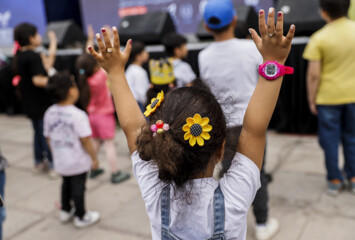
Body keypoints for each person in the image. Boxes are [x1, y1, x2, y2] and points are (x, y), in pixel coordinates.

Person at [88, 7, 295, 239]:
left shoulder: (153, 192)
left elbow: (133, 127)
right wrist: (274, 61)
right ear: (221, 148)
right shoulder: (235, 197)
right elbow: (254, 130)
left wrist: (115, 72)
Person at [198, 1, 277, 239]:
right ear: (234, 20)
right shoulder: (251, 49)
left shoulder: (203, 56)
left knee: (226, 172)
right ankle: (262, 225)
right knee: (255, 173)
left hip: (222, 126)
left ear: (206, 26)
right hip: (252, 122)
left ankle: (227, 220)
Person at [303, 0, 355, 196]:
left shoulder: (319, 38)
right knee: (354, 138)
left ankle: (335, 180)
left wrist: (311, 99)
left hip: (328, 99)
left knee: (329, 141)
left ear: (323, 12)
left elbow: (313, 75)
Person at [44, 72, 100, 228]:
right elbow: (86, 140)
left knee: (65, 184)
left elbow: (48, 137)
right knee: (78, 188)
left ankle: (66, 210)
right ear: (71, 91)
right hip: (77, 161)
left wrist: (55, 153)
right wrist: (94, 158)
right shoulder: (78, 115)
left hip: (61, 159)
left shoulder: (49, 112)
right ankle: (81, 216)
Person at [76, 53, 130, 184]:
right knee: (109, 144)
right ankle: (115, 172)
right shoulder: (100, 76)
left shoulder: (86, 79)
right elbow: (107, 65)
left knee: (96, 142)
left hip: (92, 115)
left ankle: (92, 167)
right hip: (104, 116)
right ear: (94, 66)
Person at [13, 23, 57, 177]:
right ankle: (53, 165)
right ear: (30, 38)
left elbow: (45, 66)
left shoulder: (20, 55)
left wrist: (53, 44)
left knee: (38, 132)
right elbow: (38, 79)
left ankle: (38, 162)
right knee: (46, 135)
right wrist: (56, 82)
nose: (39, 36)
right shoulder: (33, 56)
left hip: (29, 103)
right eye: (37, 34)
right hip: (40, 103)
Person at [125, 41, 150, 112]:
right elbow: (142, 94)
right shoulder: (139, 72)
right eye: (144, 52)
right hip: (138, 106)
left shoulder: (130, 69)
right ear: (138, 56)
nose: (147, 53)